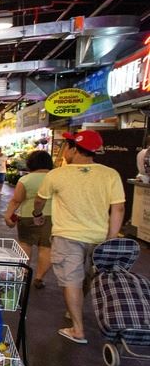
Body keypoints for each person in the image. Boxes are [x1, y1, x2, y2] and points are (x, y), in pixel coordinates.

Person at [32, 131, 125, 344]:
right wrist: (111, 239)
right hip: (99, 237)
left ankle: (77, 328)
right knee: (89, 278)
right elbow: (118, 209)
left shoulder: (57, 175)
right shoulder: (110, 174)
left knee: (71, 279)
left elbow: (39, 201)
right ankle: (76, 312)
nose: (64, 151)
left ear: (74, 149)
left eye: (66, 146)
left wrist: (37, 215)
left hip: (67, 235)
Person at [3, 150, 54, 290]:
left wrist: (8, 215)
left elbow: (16, 200)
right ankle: (39, 277)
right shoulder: (55, 177)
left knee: (25, 244)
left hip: (27, 216)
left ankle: (24, 273)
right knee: (46, 248)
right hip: (51, 217)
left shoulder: (25, 179)